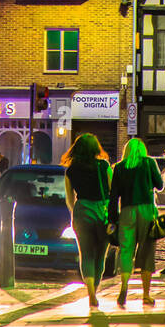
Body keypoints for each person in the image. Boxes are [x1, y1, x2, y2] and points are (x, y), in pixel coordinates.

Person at [108, 137, 164, 308]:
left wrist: (112, 220)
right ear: (143, 151)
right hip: (147, 211)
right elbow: (160, 185)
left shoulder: (119, 167)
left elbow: (113, 197)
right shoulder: (149, 163)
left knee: (125, 250)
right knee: (147, 251)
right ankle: (146, 295)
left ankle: (124, 285)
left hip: (126, 211)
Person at [62, 132, 112, 310]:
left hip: (82, 211)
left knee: (86, 254)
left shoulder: (71, 170)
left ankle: (91, 292)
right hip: (102, 212)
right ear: (95, 148)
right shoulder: (103, 166)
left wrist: (75, 212)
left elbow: (69, 198)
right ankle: (95, 289)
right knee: (100, 256)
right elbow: (113, 193)